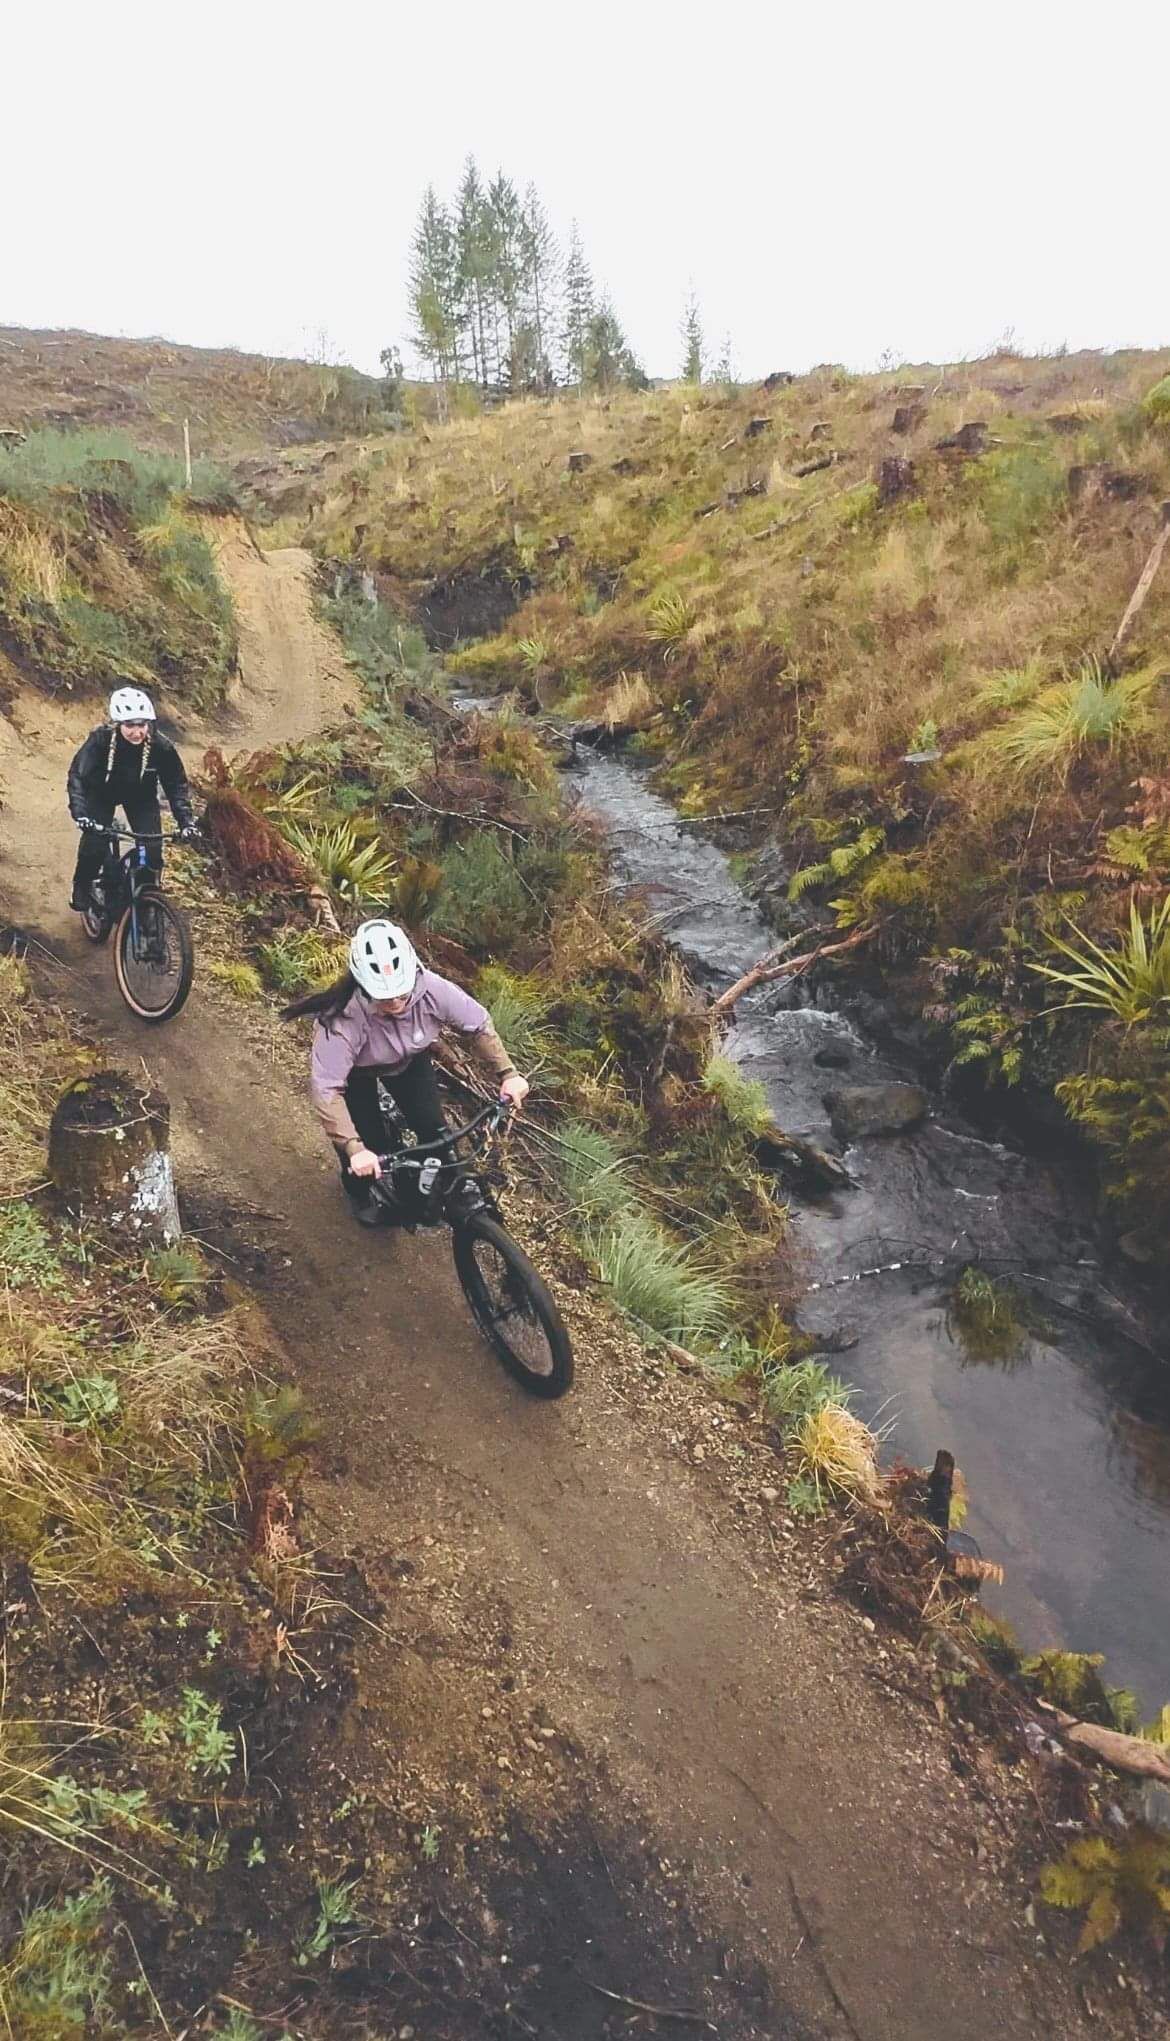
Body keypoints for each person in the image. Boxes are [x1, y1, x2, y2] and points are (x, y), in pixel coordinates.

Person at [283, 918, 529, 1224]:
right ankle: (358, 1191)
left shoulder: (432, 989)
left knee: (438, 1133)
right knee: (369, 1146)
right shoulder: (343, 1019)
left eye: (403, 993)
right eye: (386, 998)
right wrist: (354, 1148)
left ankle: (443, 1193)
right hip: (357, 1075)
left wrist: (508, 1073)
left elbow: (477, 1025)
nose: (398, 1003)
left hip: (409, 1063)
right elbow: (327, 1089)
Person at [67, 686, 198, 912]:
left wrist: (186, 822)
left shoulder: (161, 746)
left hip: (141, 797)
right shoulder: (101, 740)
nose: (137, 732)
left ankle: (146, 899)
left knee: (153, 852)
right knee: (95, 842)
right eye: (130, 725)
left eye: (141, 725)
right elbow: (78, 775)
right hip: (102, 793)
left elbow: (176, 785)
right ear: (118, 724)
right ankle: (83, 883)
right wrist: (81, 814)